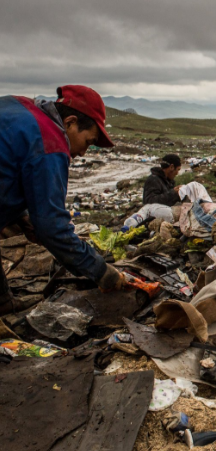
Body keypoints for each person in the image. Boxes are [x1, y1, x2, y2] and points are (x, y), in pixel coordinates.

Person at [0, 86, 125, 315]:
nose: (85, 152)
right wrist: (101, 272)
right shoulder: (51, 142)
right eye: (88, 141)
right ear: (70, 122)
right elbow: (52, 227)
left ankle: (2, 302)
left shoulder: (18, 106)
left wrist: (21, 216)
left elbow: (6, 167)